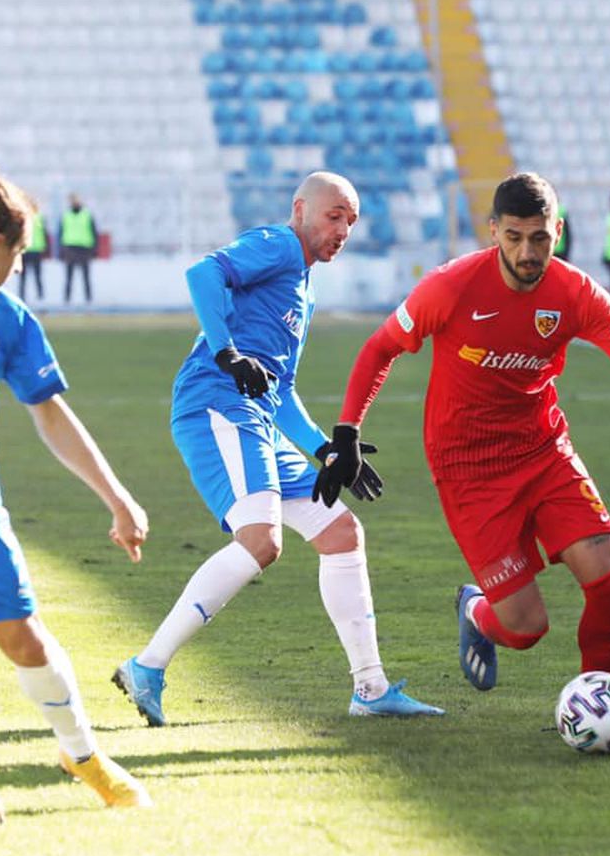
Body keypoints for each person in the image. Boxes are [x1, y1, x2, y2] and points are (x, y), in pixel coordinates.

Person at [311, 172, 610, 710]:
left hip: (543, 449)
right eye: (515, 237)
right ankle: (475, 610)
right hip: (467, 468)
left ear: (558, 231)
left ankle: (598, 701)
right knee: (525, 627)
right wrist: (347, 433)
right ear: (494, 230)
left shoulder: (574, 292)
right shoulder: (451, 286)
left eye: (540, 238)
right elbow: (379, 349)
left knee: (608, 576)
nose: (528, 251)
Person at [113, 171, 441, 726]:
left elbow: (280, 389)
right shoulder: (280, 246)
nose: (342, 230)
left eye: (351, 222)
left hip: (257, 417)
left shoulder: (305, 292)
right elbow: (203, 272)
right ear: (300, 210)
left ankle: (371, 688)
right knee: (261, 542)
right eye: (334, 216)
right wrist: (227, 353)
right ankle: (148, 666)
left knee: (341, 532)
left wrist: (324, 451)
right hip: (216, 404)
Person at [0, 169, 152, 834]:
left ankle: (84, 757)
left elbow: (51, 415)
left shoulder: (5, 319)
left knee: (23, 640)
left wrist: (117, 497)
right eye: (18, 255)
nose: (18, 269)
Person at [59, 192, 98, 304]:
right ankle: (67, 301)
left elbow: (94, 232)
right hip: (70, 248)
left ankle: (88, 300)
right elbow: (61, 233)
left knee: (86, 277)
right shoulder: (65, 215)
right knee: (69, 277)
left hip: (84, 249)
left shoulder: (87, 214)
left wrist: (94, 249)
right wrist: (61, 250)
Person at [19, 205, 47, 302]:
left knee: (37, 275)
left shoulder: (38, 217)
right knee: (24, 275)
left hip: (35, 250)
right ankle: (22, 295)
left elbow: (44, 233)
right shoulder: (22, 217)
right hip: (26, 250)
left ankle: (40, 296)